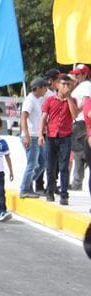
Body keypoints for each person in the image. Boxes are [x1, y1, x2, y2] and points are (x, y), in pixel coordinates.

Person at [39, 74, 79, 205]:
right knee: (50, 166)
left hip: (65, 136)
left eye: (68, 84)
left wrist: (69, 98)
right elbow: (44, 117)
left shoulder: (72, 100)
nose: (66, 87)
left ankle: (64, 194)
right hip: (51, 136)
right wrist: (41, 134)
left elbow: (74, 115)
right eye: (63, 84)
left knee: (64, 166)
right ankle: (50, 191)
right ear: (57, 86)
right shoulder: (50, 100)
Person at [19, 78, 49, 198]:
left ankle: (28, 183)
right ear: (38, 88)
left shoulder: (38, 100)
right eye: (44, 87)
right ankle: (24, 189)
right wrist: (26, 135)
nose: (46, 90)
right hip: (30, 136)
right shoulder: (30, 100)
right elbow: (23, 117)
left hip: (37, 135)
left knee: (42, 162)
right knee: (32, 164)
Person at [69, 64, 90, 190]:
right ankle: (77, 182)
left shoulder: (86, 85)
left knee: (78, 153)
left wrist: (76, 111)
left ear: (85, 74)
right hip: (79, 121)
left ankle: (77, 182)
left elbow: (86, 100)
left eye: (78, 74)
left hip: (80, 121)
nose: (76, 76)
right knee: (79, 153)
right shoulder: (81, 85)